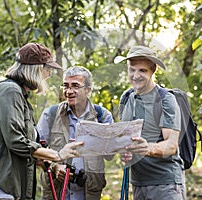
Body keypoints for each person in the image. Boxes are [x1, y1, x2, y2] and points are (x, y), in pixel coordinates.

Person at [0, 43, 84, 200]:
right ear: (35, 68)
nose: (49, 74)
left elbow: (25, 144)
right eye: (47, 68)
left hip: (8, 187)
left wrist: (50, 162)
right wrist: (56, 154)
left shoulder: (20, 95)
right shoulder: (10, 91)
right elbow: (15, 141)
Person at [114, 45, 186, 200]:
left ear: (153, 70)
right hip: (138, 183)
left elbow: (171, 146)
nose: (135, 75)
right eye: (132, 69)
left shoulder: (165, 99)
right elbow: (126, 139)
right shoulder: (126, 98)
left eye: (142, 70)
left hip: (165, 184)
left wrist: (144, 148)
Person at [37, 66, 113, 200]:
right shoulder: (51, 114)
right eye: (66, 86)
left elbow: (110, 155)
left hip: (89, 193)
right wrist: (55, 166)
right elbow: (36, 151)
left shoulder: (102, 116)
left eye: (75, 86)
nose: (69, 91)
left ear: (88, 90)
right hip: (56, 192)